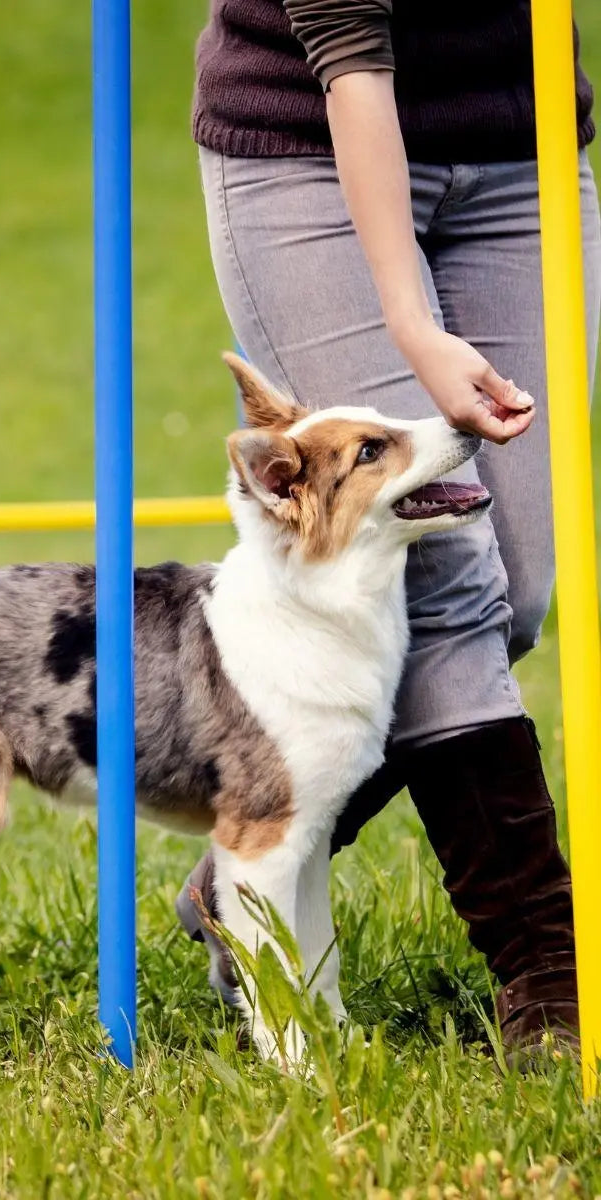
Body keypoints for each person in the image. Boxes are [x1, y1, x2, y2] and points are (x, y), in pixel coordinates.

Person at [176, 0, 600, 1059]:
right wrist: (416, 329)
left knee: (520, 589)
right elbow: (352, 58)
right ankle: (548, 984)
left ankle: (248, 867)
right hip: (311, 149)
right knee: (450, 582)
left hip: (522, 150)